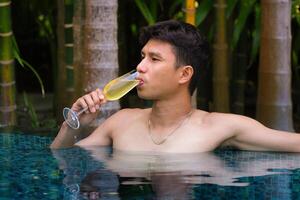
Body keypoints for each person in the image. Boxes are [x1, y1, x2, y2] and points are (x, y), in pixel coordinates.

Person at [51, 20, 300, 152]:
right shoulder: (121, 121)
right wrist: (74, 124)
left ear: (184, 74)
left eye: (154, 59)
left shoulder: (220, 126)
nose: (140, 67)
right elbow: (62, 158)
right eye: (142, 56)